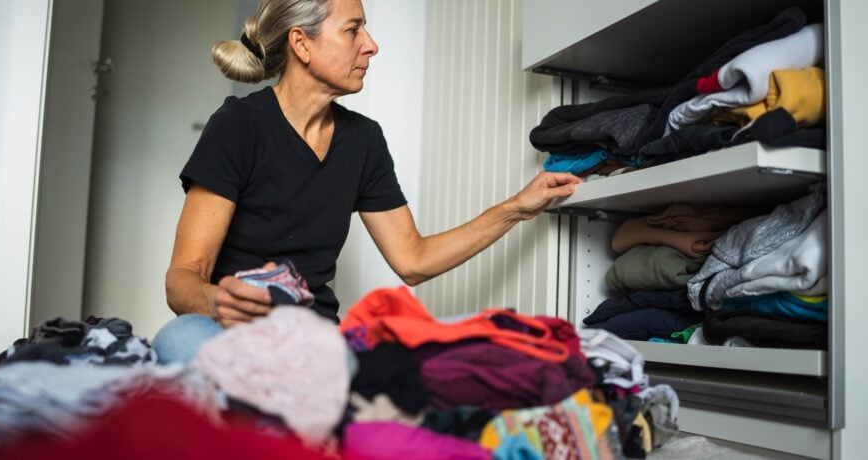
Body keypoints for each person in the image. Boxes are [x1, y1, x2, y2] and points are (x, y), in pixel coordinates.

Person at [153, 0, 581, 363]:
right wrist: (216, 303)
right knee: (178, 340)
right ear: (302, 43)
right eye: (353, 30)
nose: (371, 46)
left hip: (313, 340)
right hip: (232, 335)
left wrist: (515, 209)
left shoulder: (364, 139)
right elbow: (184, 277)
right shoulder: (239, 125)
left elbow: (413, 260)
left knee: (422, 355)